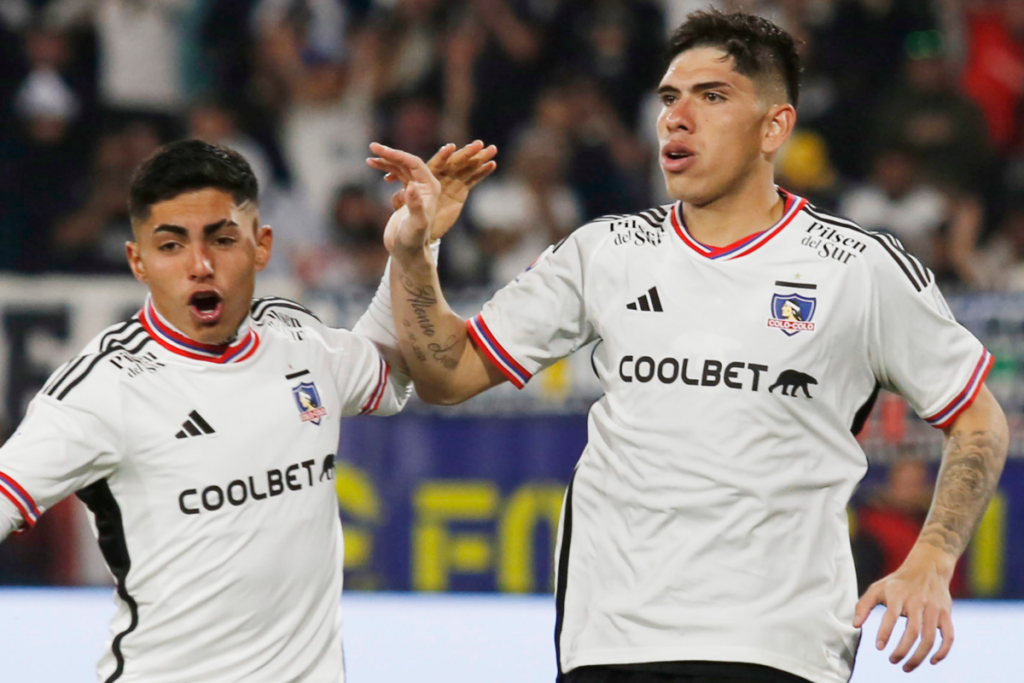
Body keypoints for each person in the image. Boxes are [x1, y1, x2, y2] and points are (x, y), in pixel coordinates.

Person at [368, 10, 1009, 683]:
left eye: (712, 96)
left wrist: (932, 559)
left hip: (777, 649)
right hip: (612, 644)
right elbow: (447, 375)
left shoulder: (858, 266)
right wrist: (415, 252)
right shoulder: (604, 251)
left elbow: (979, 418)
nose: (677, 117)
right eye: (670, 98)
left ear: (774, 127)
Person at [0, 138, 495, 681]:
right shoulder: (103, 389)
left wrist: (413, 247)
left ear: (261, 246)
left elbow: (389, 375)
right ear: (138, 261)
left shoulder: (297, 337)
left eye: (222, 239)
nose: (201, 265)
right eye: (171, 245)